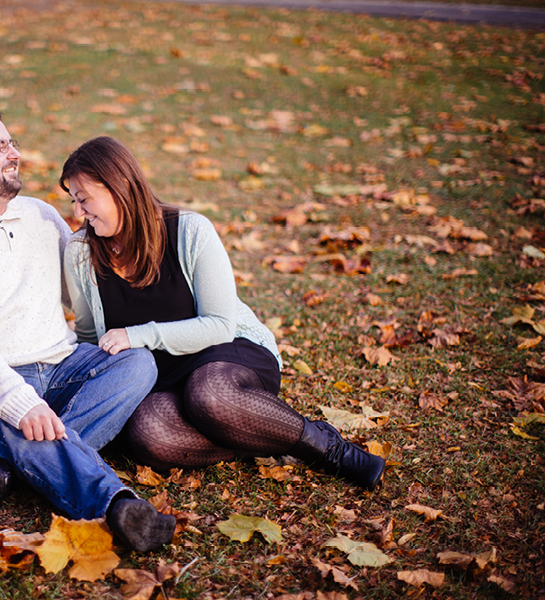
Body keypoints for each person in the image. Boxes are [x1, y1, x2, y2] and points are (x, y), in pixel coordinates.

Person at [0, 108, 175, 552]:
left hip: (59, 363)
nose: (16, 154)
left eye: (12, 143)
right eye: (0, 146)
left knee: (136, 362)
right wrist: (19, 404)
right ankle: (118, 506)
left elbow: (82, 292)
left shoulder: (40, 215)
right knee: (21, 425)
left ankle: (14, 467)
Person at [61, 136, 385, 491]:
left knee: (210, 395)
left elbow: (219, 325)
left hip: (225, 355)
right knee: (148, 433)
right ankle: (256, 432)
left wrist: (138, 335)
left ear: (119, 186)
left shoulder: (189, 230)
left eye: (84, 198)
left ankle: (324, 446)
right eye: (74, 201)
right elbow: (93, 338)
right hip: (162, 379)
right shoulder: (81, 252)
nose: (78, 212)